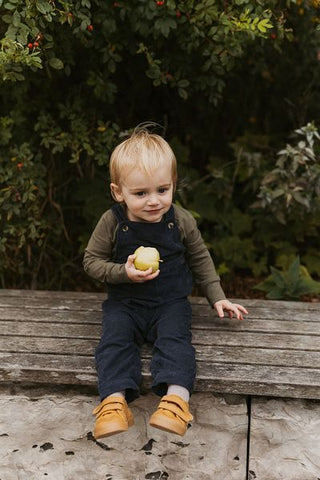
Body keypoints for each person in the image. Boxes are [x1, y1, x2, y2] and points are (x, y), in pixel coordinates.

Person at [83, 125, 248, 439]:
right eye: (141, 193)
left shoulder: (181, 220)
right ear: (119, 192)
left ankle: (175, 401)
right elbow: (90, 262)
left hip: (169, 304)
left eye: (162, 190)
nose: (154, 201)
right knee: (114, 342)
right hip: (125, 305)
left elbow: (200, 257)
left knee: (175, 342)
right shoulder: (112, 222)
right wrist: (123, 273)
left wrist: (218, 297)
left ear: (173, 185)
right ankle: (114, 402)